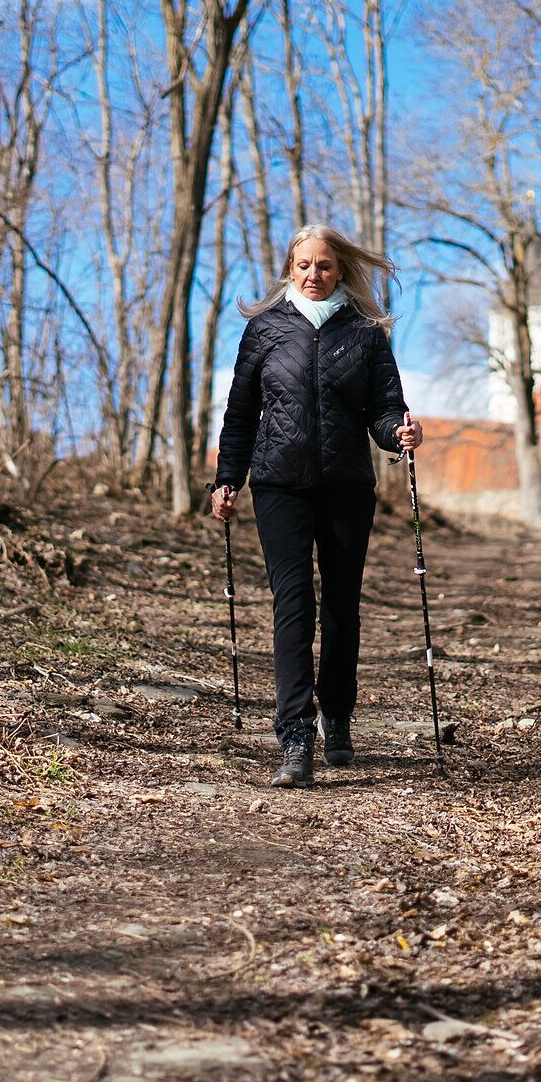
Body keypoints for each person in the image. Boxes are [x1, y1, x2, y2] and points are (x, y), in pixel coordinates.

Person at [209, 224, 425, 788]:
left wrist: (399, 432)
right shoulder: (265, 330)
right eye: (303, 264)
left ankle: (337, 715)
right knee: (293, 604)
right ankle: (295, 736)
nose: (313, 274)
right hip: (279, 483)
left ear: (340, 270)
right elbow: (240, 412)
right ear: (290, 267)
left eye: (324, 265)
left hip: (346, 486)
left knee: (342, 608)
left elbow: (384, 408)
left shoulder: (366, 333)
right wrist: (226, 478)